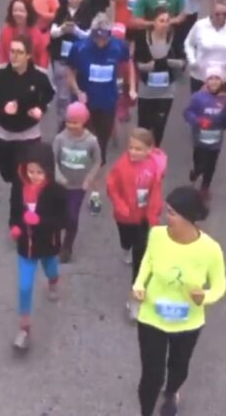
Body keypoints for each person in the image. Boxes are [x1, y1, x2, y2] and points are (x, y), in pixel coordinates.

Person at [132, 186, 226, 416]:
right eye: (167, 211)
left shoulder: (210, 250)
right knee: (151, 375)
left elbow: (220, 285)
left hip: (188, 322)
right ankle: (146, 411)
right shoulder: (156, 235)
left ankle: (172, 392)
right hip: (152, 317)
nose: (167, 217)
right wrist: (139, 284)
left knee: (179, 369)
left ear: (189, 217)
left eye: (172, 213)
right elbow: (148, 261)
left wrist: (205, 297)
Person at [0, 34, 56, 228]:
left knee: (19, 181)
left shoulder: (39, 76)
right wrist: (2, 108)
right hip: (3, 135)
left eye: (19, 52)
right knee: (7, 174)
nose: (14, 56)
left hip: (28, 136)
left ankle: (16, 222)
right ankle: (18, 201)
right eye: (12, 51)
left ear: (29, 55)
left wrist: (40, 109)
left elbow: (49, 96)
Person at [9, 142, 67, 351]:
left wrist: (40, 221)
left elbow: (63, 221)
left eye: (39, 172)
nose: (33, 175)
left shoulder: (57, 192)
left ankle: (53, 281)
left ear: (48, 171)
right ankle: (24, 326)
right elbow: (14, 212)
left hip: (48, 246)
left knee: (51, 269)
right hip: (25, 248)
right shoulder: (18, 187)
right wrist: (15, 227)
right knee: (24, 286)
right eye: (30, 171)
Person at [107, 127, 165, 320]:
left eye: (139, 149)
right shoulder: (120, 166)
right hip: (124, 217)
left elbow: (155, 192)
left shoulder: (154, 167)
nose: (133, 152)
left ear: (149, 150)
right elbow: (111, 186)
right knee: (127, 241)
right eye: (131, 148)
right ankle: (125, 249)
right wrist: (120, 204)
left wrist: (153, 216)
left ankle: (134, 299)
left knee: (140, 260)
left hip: (142, 219)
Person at [68, 14, 137, 159]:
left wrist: (131, 87)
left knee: (102, 140)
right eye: (96, 38)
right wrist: (77, 91)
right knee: (83, 139)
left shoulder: (118, 46)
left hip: (107, 102)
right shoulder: (79, 48)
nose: (100, 42)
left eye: (103, 39)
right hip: (84, 103)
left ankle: (99, 165)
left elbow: (129, 64)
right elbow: (70, 72)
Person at [52, 102, 101, 263]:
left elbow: (97, 161)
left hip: (78, 187)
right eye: (69, 121)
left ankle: (67, 247)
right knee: (58, 216)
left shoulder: (91, 141)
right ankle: (56, 242)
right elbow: (53, 160)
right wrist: (58, 177)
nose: (71, 126)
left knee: (72, 217)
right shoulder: (60, 138)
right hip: (60, 186)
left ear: (84, 122)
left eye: (75, 122)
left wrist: (88, 179)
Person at [134, 8, 186, 145]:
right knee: (143, 126)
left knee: (159, 125)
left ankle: (155, 152)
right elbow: (137, 63)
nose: (165, 24)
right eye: (161, 21)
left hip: (166, 91)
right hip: (146, 89)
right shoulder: (142, 38)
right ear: (154, 22)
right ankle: (141, 151)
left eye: (167, 21)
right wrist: (147, 66)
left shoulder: (175, 38)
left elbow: (183, 62)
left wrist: (168, 62)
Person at [183, 66, 226, 202]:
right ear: (206, 81)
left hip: (216, 140)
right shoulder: (197, 97)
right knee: (199, 162)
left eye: (217, 78)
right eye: (210, 78)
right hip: (199, 138)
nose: (213, 82)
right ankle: (196, 172)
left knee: (211, 164)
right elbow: (187, 113)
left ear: (222, 81)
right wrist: (198, 121)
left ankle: (205, 187)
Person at [49, 0, 95, 124]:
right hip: (60, 56)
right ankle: (62, 122)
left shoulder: (87, 12)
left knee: (77, 91)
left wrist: (75, 30)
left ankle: (78, 120)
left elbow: (89, 35)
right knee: (62, 95)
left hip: (79, 57)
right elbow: (53, 33)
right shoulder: (61, 10)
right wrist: (63, 29)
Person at [184, 0, 226, 93]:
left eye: (225, 14)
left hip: (223, 76)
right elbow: (189, 44)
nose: (221, 17)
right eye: (217, 14)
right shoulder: (200, 26)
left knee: (219, 107)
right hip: (200, 75)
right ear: (211, 11)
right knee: (199, 106)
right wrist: (192, 61)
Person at [0, 0, 49, 69]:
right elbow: (2, 54)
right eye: (15, 10)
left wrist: (41, 72)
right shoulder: (5, 31)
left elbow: (42, 55)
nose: (18, 13)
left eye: (21, 11)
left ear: (28, 13)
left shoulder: (36, 32)